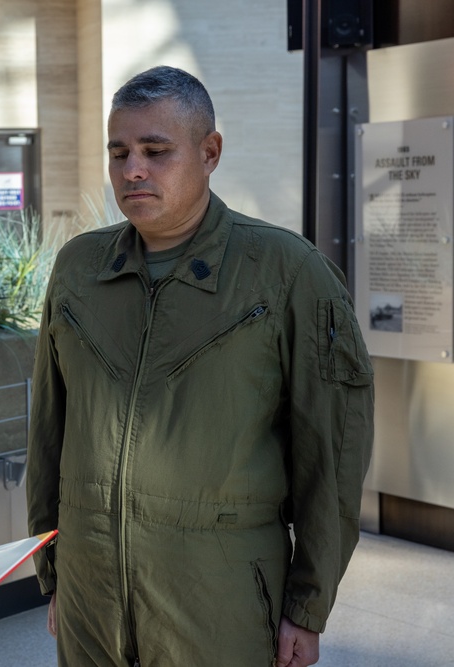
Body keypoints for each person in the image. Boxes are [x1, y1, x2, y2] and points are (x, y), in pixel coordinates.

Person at [26, 65, 374, 667]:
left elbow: (332, 451)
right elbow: (48, 433)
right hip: (90, 593)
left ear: (210, 152)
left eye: (156, 151)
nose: (133, 169)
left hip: (221, 598)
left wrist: (307, 606)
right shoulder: (79, 269)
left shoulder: (287, 271)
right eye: (120, 153)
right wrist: (54, 572)